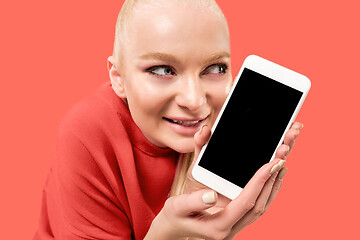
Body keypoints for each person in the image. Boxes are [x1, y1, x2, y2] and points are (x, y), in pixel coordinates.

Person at [33, 0, 303, 239]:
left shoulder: (226, 128)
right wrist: (168, 235)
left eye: (215, 68)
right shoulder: (87, 131)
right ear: (118, 78)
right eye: (163, 70)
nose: (195, 100)